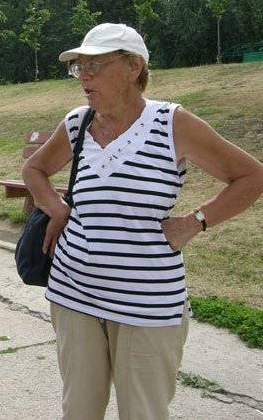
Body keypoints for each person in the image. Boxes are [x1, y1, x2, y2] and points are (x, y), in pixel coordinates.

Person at [22, 23, 263, 420]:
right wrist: (56, 207)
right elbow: (35, 169)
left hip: (147, 304)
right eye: (78, 67)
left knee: (144, 413)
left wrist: (194, 222)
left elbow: (251, 176)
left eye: (94, 66)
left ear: (133, 67)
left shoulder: (172, 123)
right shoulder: (78, 122)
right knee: (78, 411)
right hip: (73, 294)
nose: (83, 76)